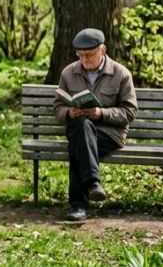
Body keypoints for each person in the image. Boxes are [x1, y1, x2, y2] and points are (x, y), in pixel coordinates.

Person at [53, 28, 137, 221]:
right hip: (79, 129)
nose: (85, 60)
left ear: (103, 50)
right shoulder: (68, 73)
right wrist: (69, 112)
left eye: (89, 55)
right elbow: (57, 108)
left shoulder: (121, 74)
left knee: (78, 145)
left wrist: (101, 114)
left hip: (109, 135)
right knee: (81, 128)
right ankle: (93, 185)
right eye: (80, 55)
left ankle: (78, 206)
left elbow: (129, 112)